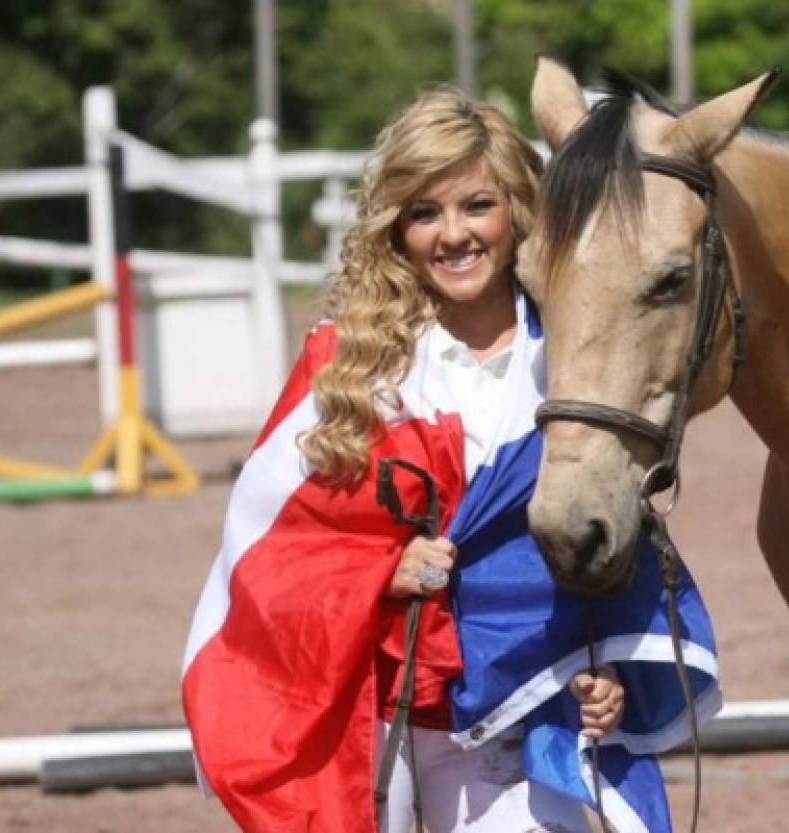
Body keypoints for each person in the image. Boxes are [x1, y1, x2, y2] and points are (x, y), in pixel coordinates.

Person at [182, 87, 720, 833]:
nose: (453, 234)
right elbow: (268, 553)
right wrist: (380, 572)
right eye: (424, 213)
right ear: (395, 230)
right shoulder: (349, 368)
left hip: (523, 708)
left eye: (476, 205)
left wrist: (604, 671)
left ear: (518, 210)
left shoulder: (570, 360)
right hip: (374, 700)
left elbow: (600, 531)